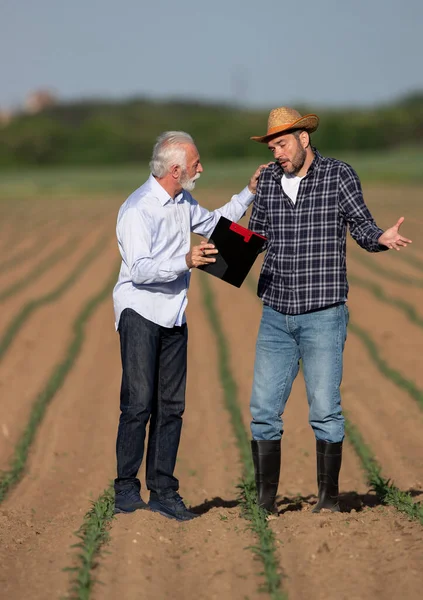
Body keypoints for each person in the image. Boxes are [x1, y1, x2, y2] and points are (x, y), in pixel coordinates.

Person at [247, 107, 412, 514]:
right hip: (276, 313)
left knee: (324, 409)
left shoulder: (338, 175)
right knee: (263, 411)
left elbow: (361, 225)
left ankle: (328, 501)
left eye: (282, 144)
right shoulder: (268, 180)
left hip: (323, 313)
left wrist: (381, 238)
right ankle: (266, 503)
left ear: (304, 139)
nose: (277, 154)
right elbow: (256, 236)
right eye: (272, 147)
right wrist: (213, 248)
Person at [113, 131, 266, 521]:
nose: (202, 168)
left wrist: (248, 192)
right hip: (140, 312)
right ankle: (126, 490)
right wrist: (186, 260)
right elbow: (141, 271)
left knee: (172, 407)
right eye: (197, 163)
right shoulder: (137, 209)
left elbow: (217, 225)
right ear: (176, 168)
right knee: (137, 404)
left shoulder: (183, 201)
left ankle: (164, 491)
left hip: (174, 315)